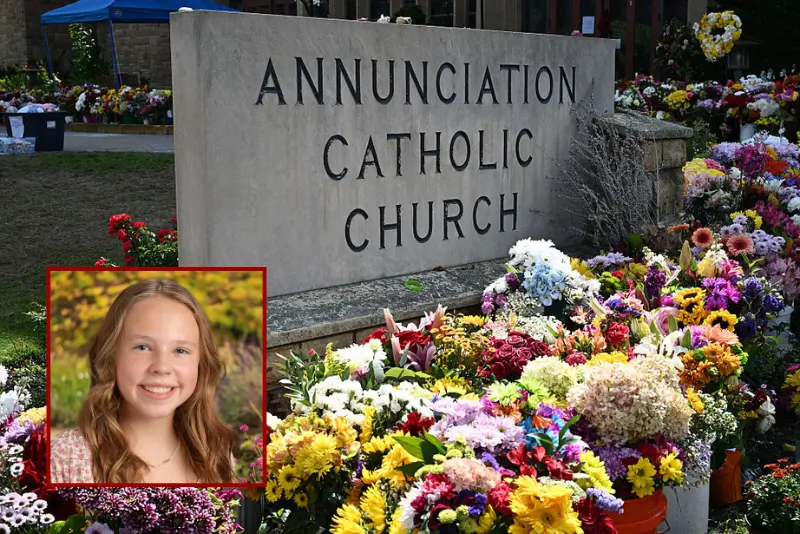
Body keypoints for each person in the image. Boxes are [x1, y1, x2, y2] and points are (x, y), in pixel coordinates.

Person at [50, 278, 238, 484]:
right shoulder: (65, 459)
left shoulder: (217, 458)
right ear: (111, 356)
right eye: (143, 347)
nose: (162, 367)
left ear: (201, 364)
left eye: (180, 350)